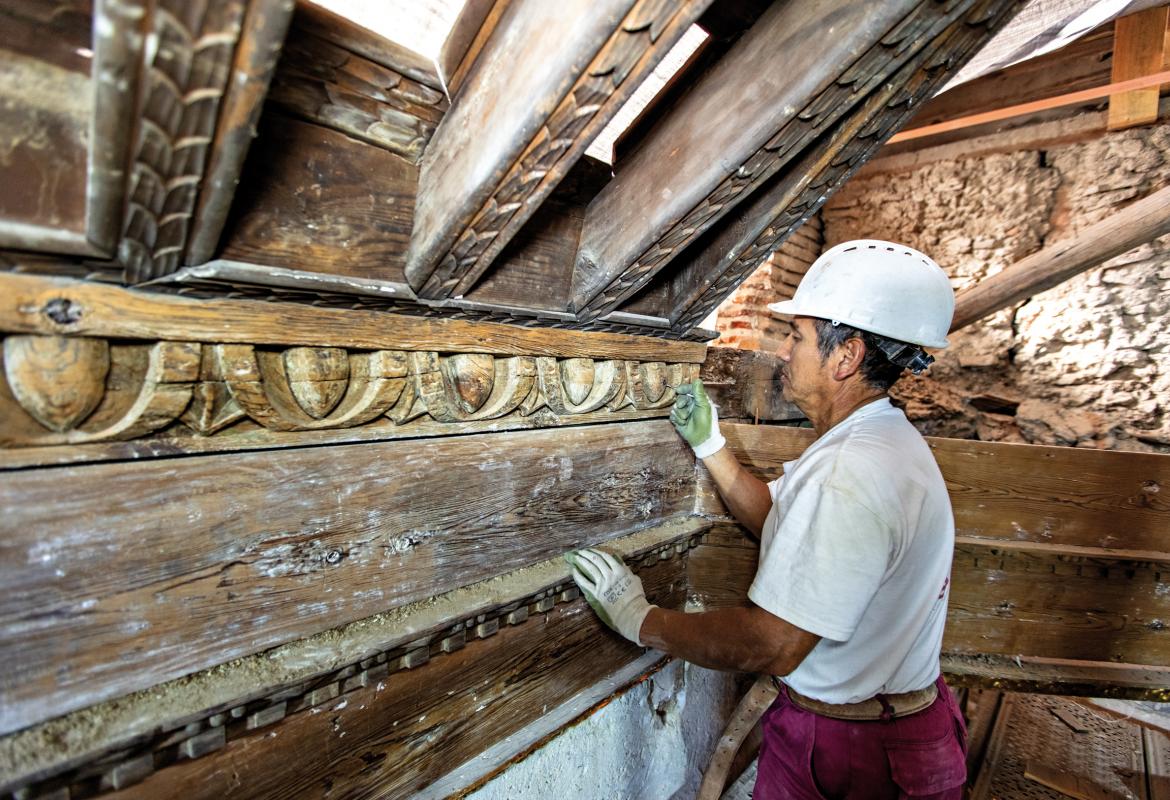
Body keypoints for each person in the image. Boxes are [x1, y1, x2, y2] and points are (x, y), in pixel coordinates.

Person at [566, 240, 967, 798]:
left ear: (846, 356)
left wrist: (640, 619)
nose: (782, 351)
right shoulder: (879, 440)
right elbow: (784, 524)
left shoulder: (849, 472)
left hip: (855, 752)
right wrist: (711, 446)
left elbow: (772, 644)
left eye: (797, 336)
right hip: (890, 725)